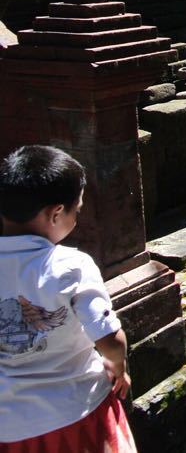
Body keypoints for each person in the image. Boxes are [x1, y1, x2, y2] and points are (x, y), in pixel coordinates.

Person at [0, 146, 136, 452]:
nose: (77, 217)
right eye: (78, 209)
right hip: (77, 411)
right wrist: (118, 366)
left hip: (8, 426)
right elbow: (111, 340)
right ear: (56, 213)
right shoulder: (70, 266)